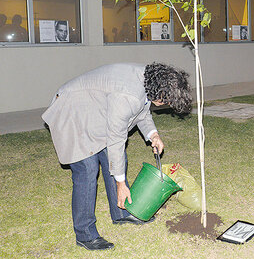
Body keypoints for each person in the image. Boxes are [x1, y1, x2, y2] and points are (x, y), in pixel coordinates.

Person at [42, 62, 192, 251]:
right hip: (73, 112)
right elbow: (116, 138)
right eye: (168, 101)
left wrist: (153, 135)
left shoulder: (148, 81)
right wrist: (120, 184)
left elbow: (142, 110)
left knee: (116, 158)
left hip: (93, 111)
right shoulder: (127, 95)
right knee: (87, 171)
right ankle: (85, 235)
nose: (167, 105)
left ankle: (121, 212)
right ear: (160, 93)